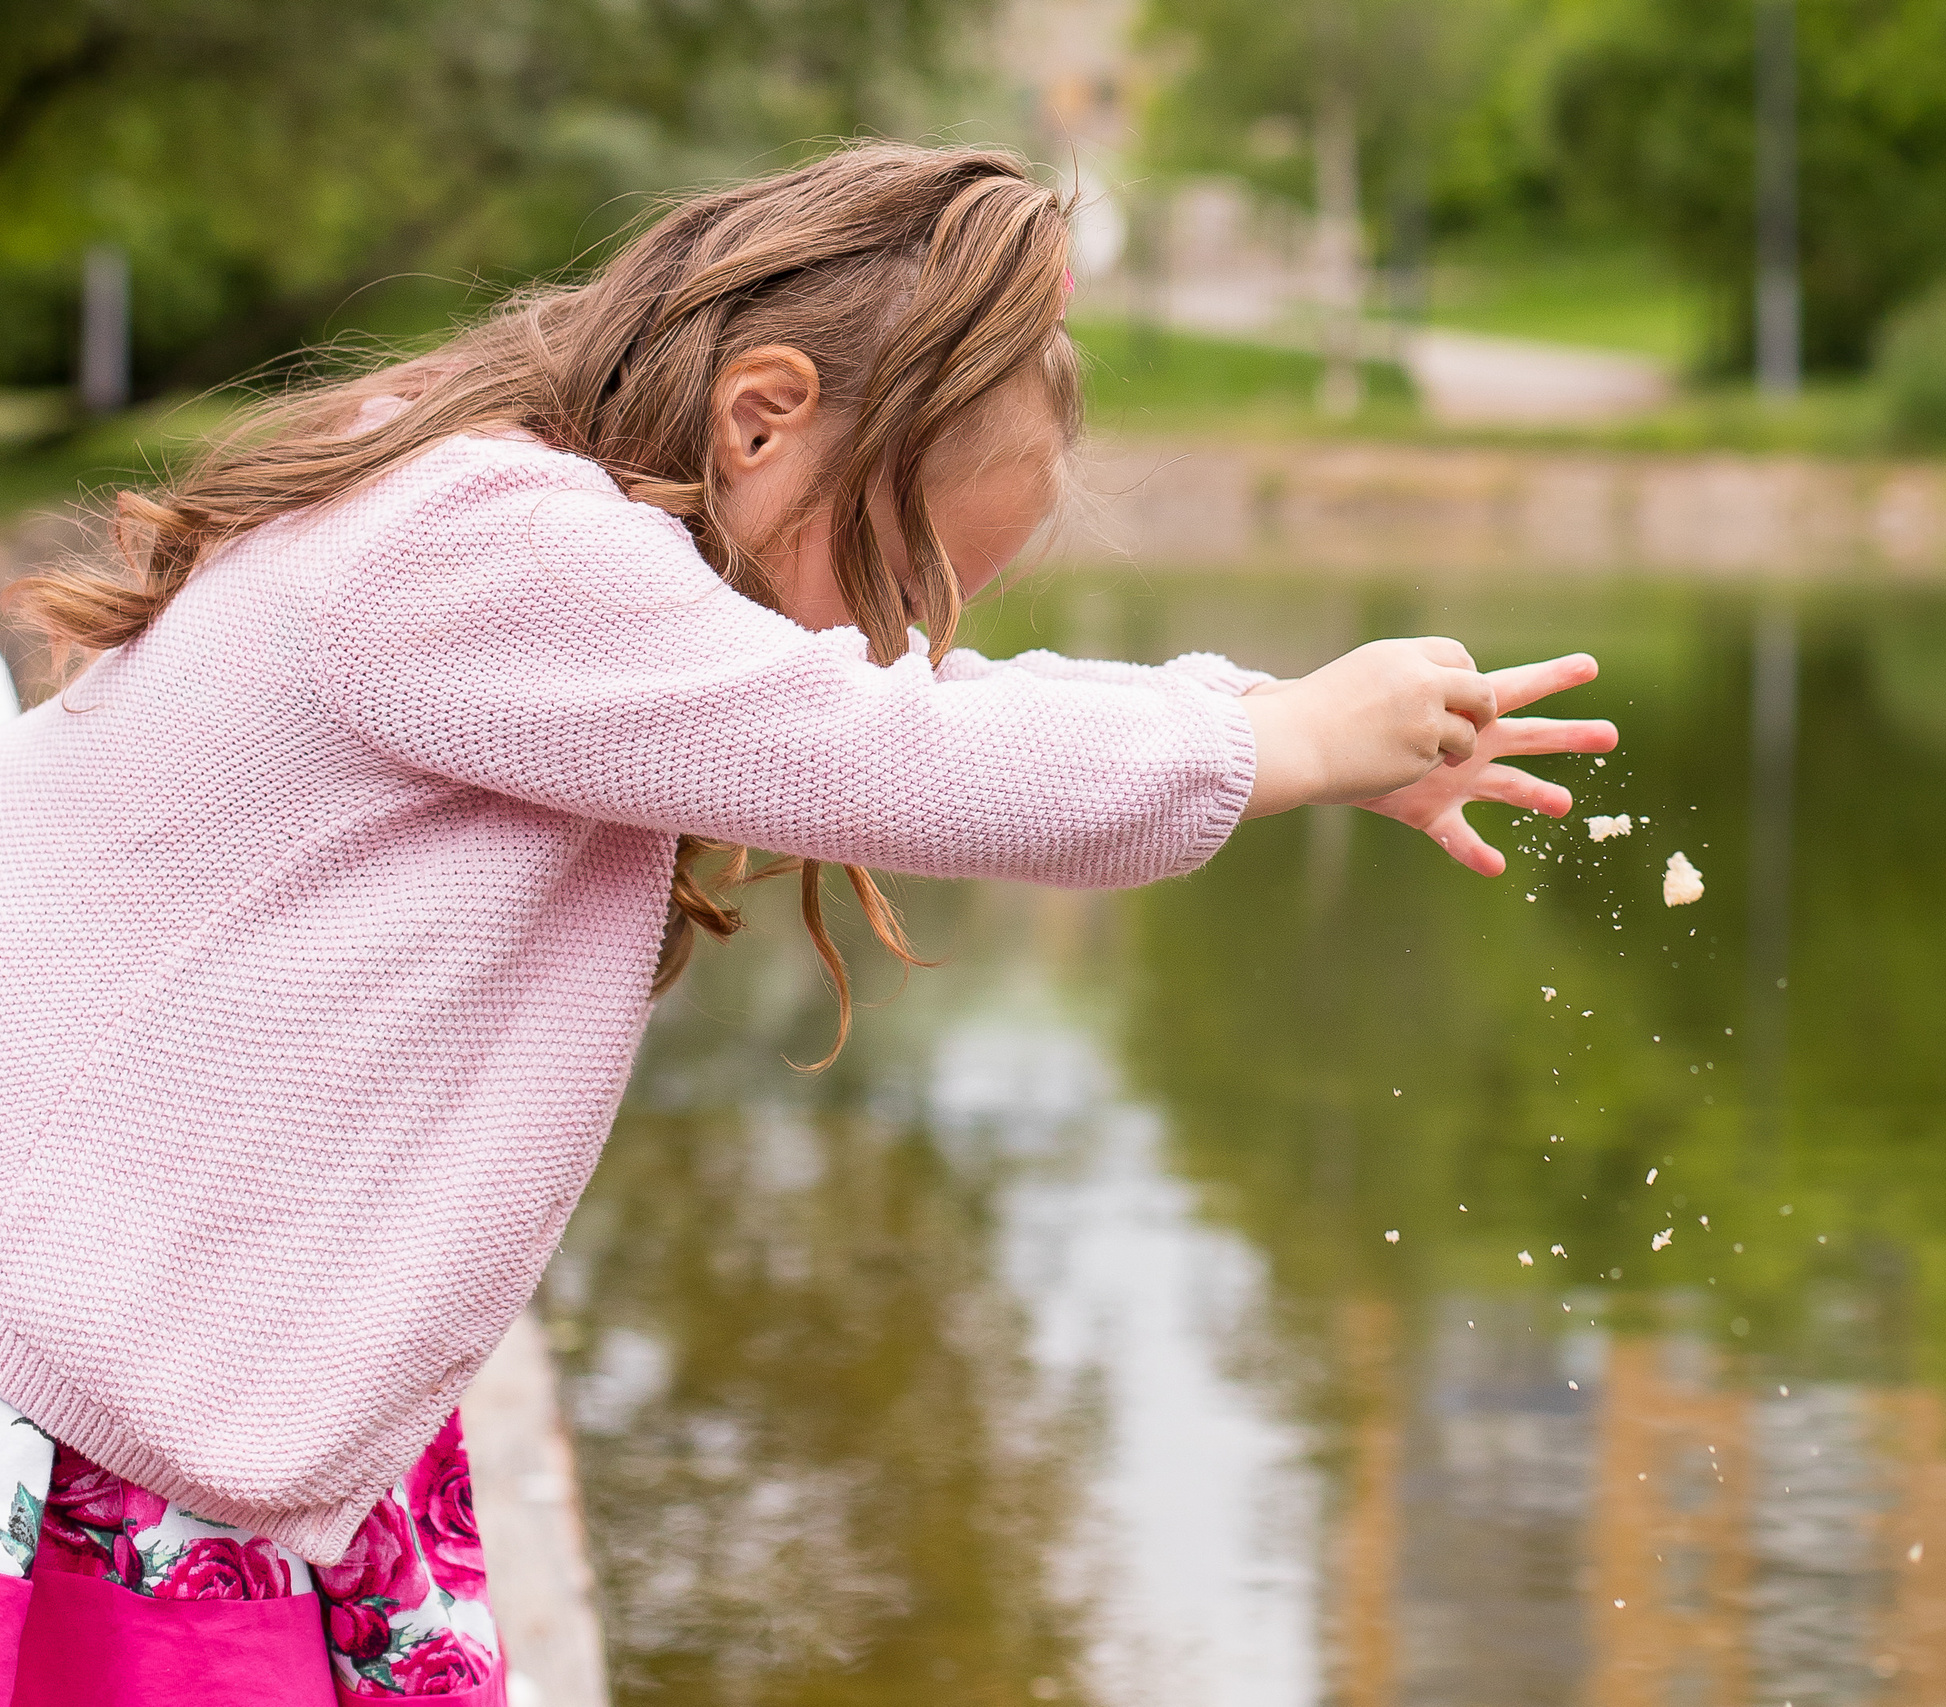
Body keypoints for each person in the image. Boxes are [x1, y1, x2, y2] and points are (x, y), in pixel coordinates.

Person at [0, 141, 1614, 1703]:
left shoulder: (497, 510)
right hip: (86, 1388)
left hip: (185, 1378)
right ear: (762, 418)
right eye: (896, 581)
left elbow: (909, 707)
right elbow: (884, 742)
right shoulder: (484, 542)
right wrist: (1283, 742)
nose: (908, 636)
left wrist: (1263, 711)